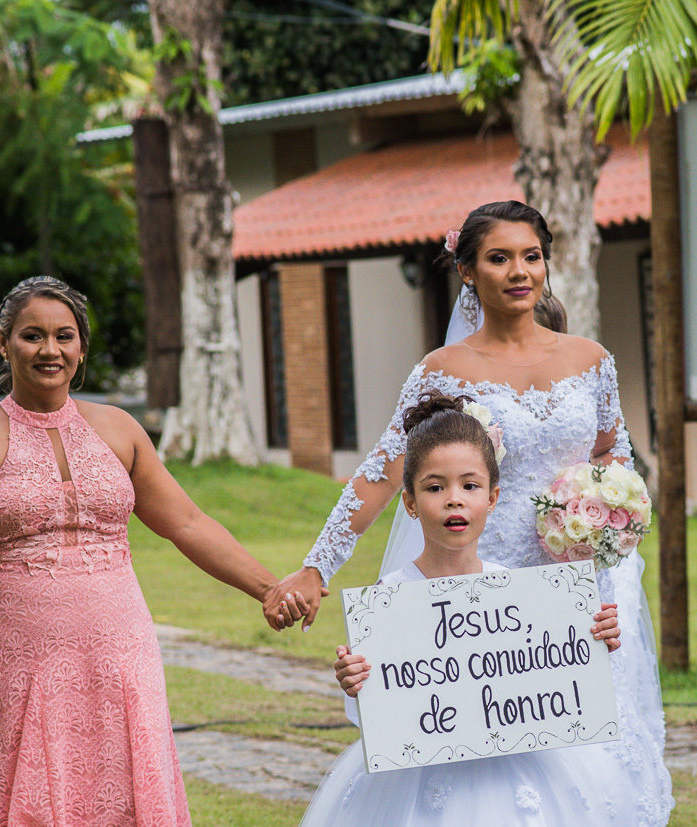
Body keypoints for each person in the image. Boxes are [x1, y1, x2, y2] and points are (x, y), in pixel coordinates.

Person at [276, 201, 673, 824]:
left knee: (591, 756)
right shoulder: (444, 371)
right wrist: (316, 568)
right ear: (468, 271)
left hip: (577, 587)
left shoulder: (591, 360)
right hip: (481, 581)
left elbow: (614, 454)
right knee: (478, 749)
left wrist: (606, 509)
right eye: (499, 258)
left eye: (531, 256)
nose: (520, 271)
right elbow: (384, 471)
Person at [0, 276, 306, 826]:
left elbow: (186, 522)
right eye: (32, 336)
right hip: (21, 654)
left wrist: (267, 588)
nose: (51, 350)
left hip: (119, 650)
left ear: (82, 348)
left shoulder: (119, 429)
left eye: (64, 336)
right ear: (3, 343)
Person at [301, 392, 633, 825]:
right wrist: (355, 682)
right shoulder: (391, 598)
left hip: (514, 777)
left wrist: (593, 640)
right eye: (435, 487)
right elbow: (379, 717)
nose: (454, 499)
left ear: (492, 498)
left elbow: (557, 681)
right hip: (416, 789)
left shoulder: (519, 595)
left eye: (469, 485)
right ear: (410, 502)